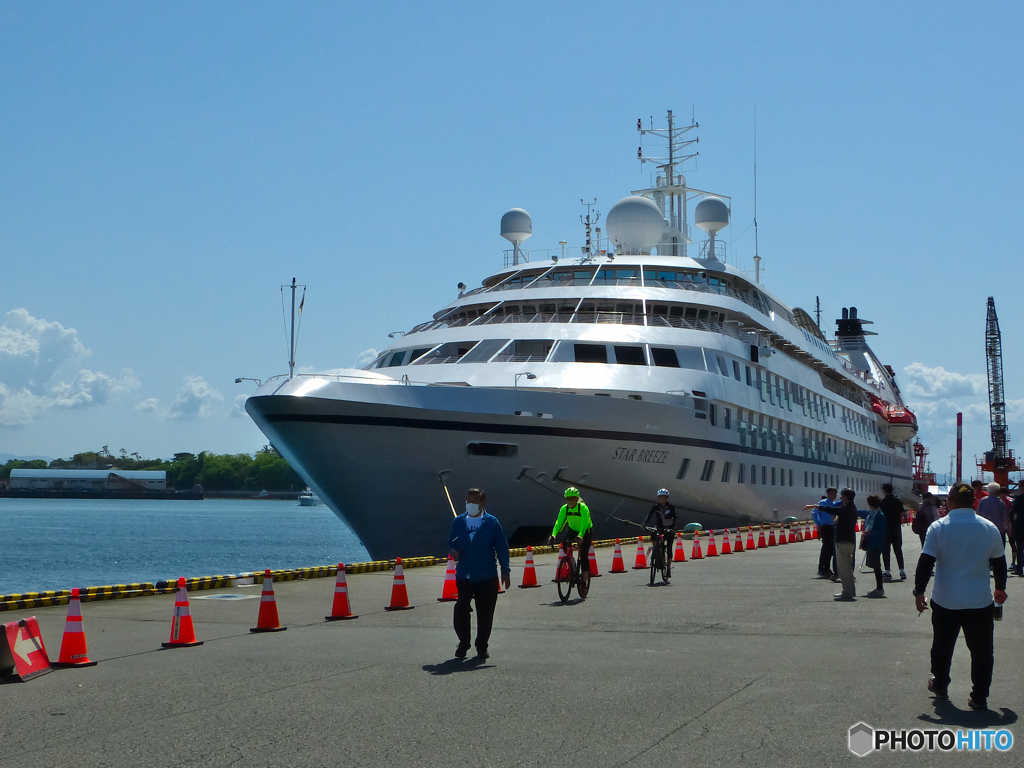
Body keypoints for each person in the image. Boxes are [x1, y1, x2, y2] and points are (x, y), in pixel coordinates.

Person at [913, 482, 1008, 710]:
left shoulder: (939, 527)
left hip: (946, 599)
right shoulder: (989, 528)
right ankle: (979, 697)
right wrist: (1000, 588)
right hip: (979, 600)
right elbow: (999, 563)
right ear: (972, 502)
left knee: (942, 646)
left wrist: (919, 591)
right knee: (982, 650)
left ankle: (941, 684)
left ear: (951, 502)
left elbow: (926, 562)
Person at [447, 488, 511, 660]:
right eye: (468, 501)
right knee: (461, 609)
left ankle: (482, 645)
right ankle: (463, 642)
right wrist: (453, 550)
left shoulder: (491, 523)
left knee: (485, 613)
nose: (470, 504)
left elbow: (502, 548)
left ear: (482, 503)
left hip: (486, 575)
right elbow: (450, 541)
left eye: (474, 501)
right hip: (464, 575)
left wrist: (506, 570)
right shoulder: (458, 522)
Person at [548, 487, 594, 572]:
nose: (570, 501)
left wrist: (580, 535)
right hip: (572, 529)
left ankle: (584, 581)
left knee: (584, 556)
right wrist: (553, 535)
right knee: (564, 543)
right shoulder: (564, 509)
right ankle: (570, 561)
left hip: (585, 531)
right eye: (568, 499)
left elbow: (584, 523)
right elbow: (559, 522)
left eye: (573, 499)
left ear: (577, 499)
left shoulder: (583, 508)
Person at [805, 487, 840, 579]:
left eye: (836, 494)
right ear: (828, 494)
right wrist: (819, 524)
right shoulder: (823, 503)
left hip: (832, 527)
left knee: (830, 548)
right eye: (833, 494)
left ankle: (826, 567)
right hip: (825, 526)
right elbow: (814, 513)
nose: (834, 496)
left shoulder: (834, 504)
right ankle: (823, 568)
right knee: (826, 547)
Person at [643, 489, 677, 578]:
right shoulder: (655, 507)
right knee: (653, 534)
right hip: (659, 527)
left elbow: (675, 517)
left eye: (664, 497)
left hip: (669, 528)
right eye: (660, 497)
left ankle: (668, 569)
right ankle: (656, 549)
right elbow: (649, 515)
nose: (662, 499)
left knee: (669, 547)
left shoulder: (671, 507)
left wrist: (674, 528)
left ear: (667, 498)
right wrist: (644, 524)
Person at [832, 488, 860, 601]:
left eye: (842, 496)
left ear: (846, 497)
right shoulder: (853, 509)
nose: (840, 498)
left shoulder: (846, 509)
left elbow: (830, 509)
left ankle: (847, 591)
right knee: (847, 567)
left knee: (843, 568)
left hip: (843, 541)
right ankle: (850, 590)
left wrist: (816, 506)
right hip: (849, 541)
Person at [860, 495, 888, 597]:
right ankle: (879, 587)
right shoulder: (873, 514)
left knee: (876, 566)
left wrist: (870, 533)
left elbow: (881, 530)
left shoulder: (879, 515)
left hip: (876, 542)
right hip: (873, 541)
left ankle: (880, 588)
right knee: (875, 565)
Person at [879, 483, 906, 581]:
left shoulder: (883, 502)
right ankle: (902, 571)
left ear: (884, 490)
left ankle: (887, 571)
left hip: (886, 528)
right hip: (896, 528)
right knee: (898, 550)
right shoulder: (897, 501)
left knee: (886, 551)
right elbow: (902, 514)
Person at [976, 482, 1010, 549]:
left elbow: (977, 514)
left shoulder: (982, 501)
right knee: (1000, 550)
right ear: (997, 490)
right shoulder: (1000, 502)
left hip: (985, 529)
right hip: (998, 529)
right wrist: (1008, 528)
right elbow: (1006, 517)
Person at [1010, 491, 1024, 577]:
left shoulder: (1019, 499)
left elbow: (1013, 511)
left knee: (1019, 548)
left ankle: (1019, 569)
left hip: (1021, 525)